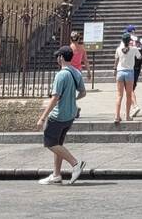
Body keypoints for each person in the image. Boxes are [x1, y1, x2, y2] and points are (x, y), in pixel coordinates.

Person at [35, 45, 87, 185]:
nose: (57, 59)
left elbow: (55, 98)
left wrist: (42, 117)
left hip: (58, 115)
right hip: (70, 115)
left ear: (61, 58)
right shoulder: (76, 72)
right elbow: (83, 93)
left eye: (58, 56)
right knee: (58, 144)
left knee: (50, 143)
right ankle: (56, 175)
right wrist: (71, 99)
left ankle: (75, 164)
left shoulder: (61, 75)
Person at [114, 29, 142, 123]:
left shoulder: (118, 49)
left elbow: (116, 60)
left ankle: (117, 116)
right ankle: (127, 116)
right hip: (129, 72)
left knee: (119, 95)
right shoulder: (134, 49)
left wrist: (114, 69)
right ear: (130, 40)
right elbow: (139, 56)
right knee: (128, 95)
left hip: (120, 72)